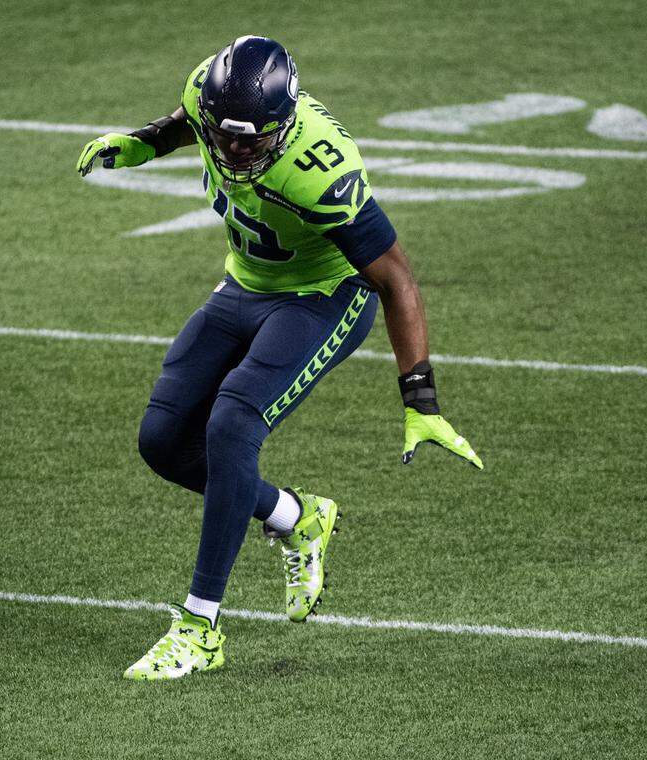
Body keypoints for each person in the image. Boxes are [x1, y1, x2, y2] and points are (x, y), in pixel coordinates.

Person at [77, 35, 482, 680]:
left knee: (232, 422)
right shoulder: (208, 97)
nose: (236, 151)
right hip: (245, 283)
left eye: (252, 140)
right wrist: (148, 141)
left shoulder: (320, 171)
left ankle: (199, 628)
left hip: (323, 297)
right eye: (226, 137)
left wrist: (421, 400)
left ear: (283, 123)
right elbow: (190, 122)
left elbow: (398, 279)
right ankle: (296, 516)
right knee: (162, 441)